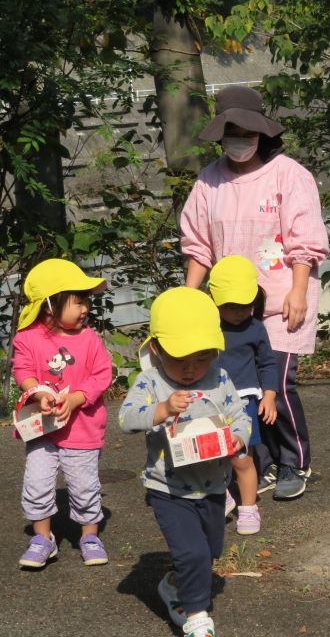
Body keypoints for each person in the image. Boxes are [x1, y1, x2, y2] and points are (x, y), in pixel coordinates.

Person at [180, 84, 329, 500]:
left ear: (261, 133)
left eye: (244, 131)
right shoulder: (209, 181)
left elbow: (306, 242)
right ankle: (258, 463)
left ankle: (295, 461)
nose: (237, 140)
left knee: (277, 385)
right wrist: (190, 302)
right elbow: (198, 247)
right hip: (230, 308)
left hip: (282, 299)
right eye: (230, 132)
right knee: (238, 388)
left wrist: (298, 292)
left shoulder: (290, 175)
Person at [119, 287, 251, 637]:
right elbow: (126, 417)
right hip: (169, 487)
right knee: (192, 551)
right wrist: (161, 410)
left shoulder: (219, 378)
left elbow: (239, 415)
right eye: (180, 359)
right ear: (157, 349)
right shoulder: (151, 381)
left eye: (202, 357)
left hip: (214, 485)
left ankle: (175, 582)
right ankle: (196, 617)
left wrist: (238, 437)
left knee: (208, 552)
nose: (192, 369)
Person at [11, 258, 112, 569]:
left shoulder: (89, 338)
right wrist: (38, 393)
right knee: (37, 482)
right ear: (51, 305)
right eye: (77, 301)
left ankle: (89, 535)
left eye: (85, 302)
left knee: (84, 485)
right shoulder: (28, 337)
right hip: (43, 428)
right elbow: (23, 370)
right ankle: (43, 538)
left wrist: (79, 397)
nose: (85, 308)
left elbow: (102, 373)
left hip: (82, 429)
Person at [209, 255, 278, 535]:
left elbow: (268, 363)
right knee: (212, 455)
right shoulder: (208, 326)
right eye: (230, 305)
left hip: (244, 401)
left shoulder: (255, 328)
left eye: (244, 304)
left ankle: (248, 507)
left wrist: (269, 395)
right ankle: (220, 495)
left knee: (242, 457)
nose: (238, 311)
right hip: (210, 401)